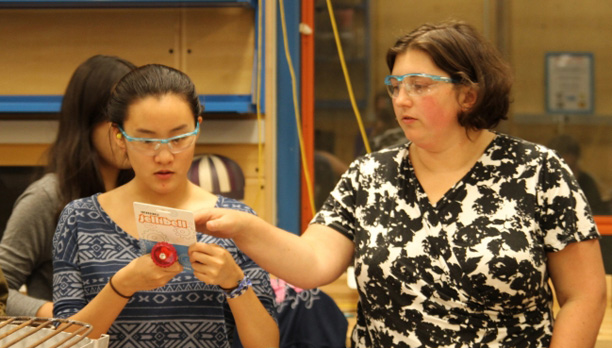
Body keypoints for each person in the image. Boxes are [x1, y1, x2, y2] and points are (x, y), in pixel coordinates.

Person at [194, 20, 607, 348]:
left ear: (469, 95)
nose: (401, 99)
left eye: (419, 86)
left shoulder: (537, 171)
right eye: (395, 86)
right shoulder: (368, 175)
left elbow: (584, 295)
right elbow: (312, 262)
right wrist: (243, 228)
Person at [52, 64, 279, 348]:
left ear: (198, 128)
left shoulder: (234, 221)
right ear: (119, 135)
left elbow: (266, 344)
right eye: (147, 140)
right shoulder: (79, 219)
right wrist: (121, 286)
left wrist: (235, 283)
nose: (164, 156)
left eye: (179, 138)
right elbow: (61, 342)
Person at [0, 55, 136, 318]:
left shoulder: (146, 193)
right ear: (87, 119)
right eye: (116, 121)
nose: (128, 134)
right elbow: (3, 287)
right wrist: (54, 313)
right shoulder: (48, 197)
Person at [547, 134, 611, 215]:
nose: (565, 174)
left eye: (570, 168)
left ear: (577, 163)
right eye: (558, 169)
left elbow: (596, 215)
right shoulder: (541, 184)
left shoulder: (587, 183)